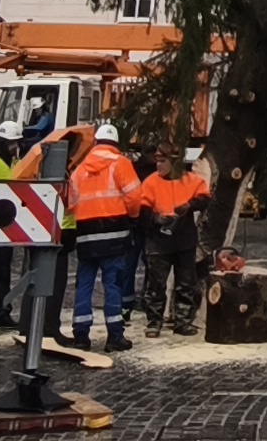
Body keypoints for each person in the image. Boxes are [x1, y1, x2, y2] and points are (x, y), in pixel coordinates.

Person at [0, 115, 69, 333]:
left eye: (17, 143)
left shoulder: (16, 165)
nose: (16, 147)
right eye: (12, 143)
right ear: (2, 142)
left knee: (3, 272)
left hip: (6, 229)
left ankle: (1, 312)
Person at [62, 120, 144, 353]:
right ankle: (115, 336)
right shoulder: (121, 163)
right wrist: (133, 216)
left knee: (85, 285)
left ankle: (81, 336)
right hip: (115, 233)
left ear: (96, 142)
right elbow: (134, 196)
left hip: (86, 235)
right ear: (115, 144)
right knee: (113, 284)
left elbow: (71, 205)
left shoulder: (79, 169)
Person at [135, 151, 212, 336]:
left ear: (174, 162)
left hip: (183, 238)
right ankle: (154, 322)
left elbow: (204, 199)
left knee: (186, 283)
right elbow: (142, 210)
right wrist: (156, 218)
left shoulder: (191, 180)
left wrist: (189, 206)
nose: (158, 165)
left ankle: (182, 321)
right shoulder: (151, 182)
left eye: (163, 161)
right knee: (156, 285)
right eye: (157, 161)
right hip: (158, 241)